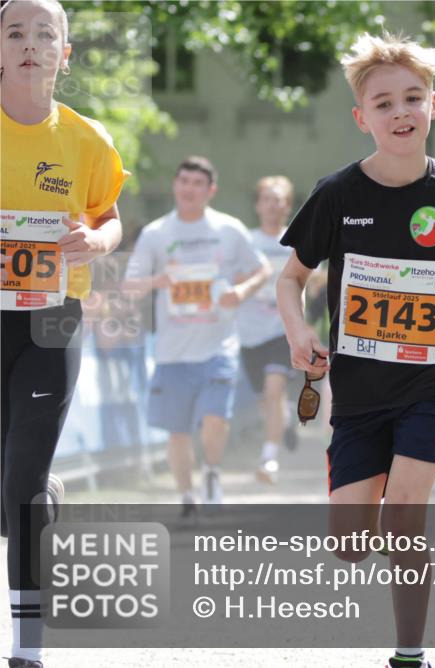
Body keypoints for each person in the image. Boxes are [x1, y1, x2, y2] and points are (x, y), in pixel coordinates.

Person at [275, 33, 435, 668]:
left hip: (432, 381)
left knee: (405, 516)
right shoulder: (337, 195)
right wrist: (299, 331)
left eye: (412, 98)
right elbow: (290, 277)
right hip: (358, 393)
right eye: (384, 103)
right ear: (363, 119)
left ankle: (409, 653)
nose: (400, 112)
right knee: (353, 544)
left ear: (433, 106)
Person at [1, 1, 129, 665]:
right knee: (11, 493)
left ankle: (28, 647)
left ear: (64, 54)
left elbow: (111, 216)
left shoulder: (86, 138)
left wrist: (97, 241)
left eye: (44, 33)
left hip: (51, 318)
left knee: (22, 482)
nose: (30, 44)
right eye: (15, 32)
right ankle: (37, 496)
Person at [123, 157, 269, 516]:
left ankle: (212, 473)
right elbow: (129, 284)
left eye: (197, 183)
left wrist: (242, 291)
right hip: (172, 351)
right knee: (177, 433)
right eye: (183, 180)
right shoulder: (156, 234)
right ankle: (187, 496)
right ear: (175, 185)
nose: (188, 188)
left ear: (210, 190)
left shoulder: (229, 229)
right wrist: (158, 282)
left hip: (219, 347)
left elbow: (262, 269)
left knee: (214, 419)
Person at [236, 175, 297, 484]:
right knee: (267, 401)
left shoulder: (296, 240)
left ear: (287, 205)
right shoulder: (245, 241)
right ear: (258, 205)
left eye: (280, 199)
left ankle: (269, 459)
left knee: (274, 391)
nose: (274, 205)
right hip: (249, 333)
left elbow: (309, 278)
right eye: (268, 199)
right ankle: (283, 421)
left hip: (282, 330)